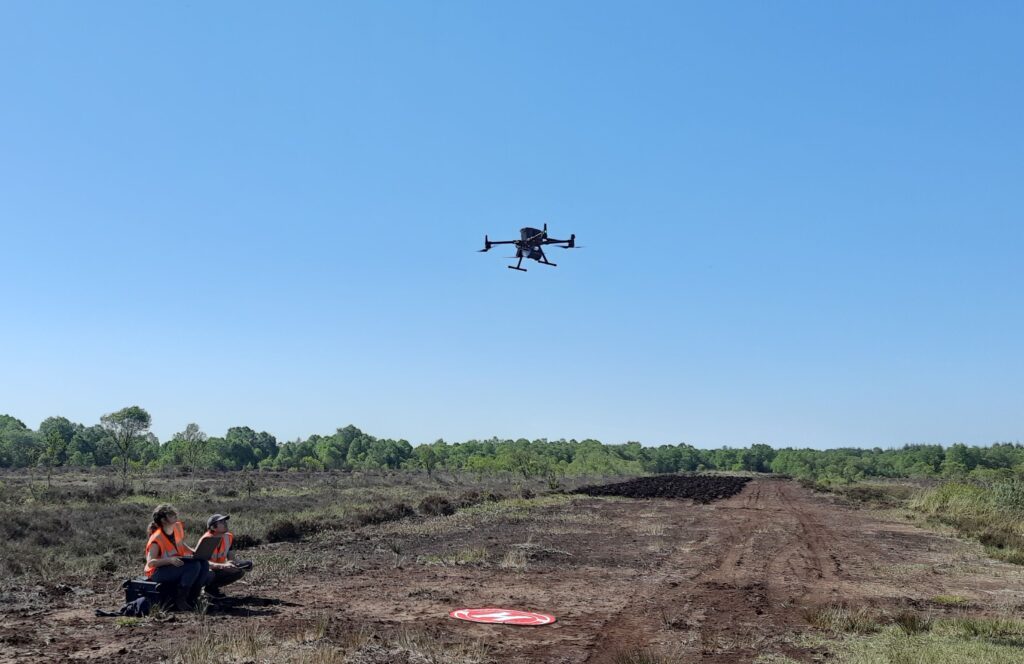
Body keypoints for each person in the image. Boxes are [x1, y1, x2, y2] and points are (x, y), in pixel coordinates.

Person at [144, 504, 209, 611]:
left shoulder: (177, 527)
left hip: (175, 566)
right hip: (157, 573)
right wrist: (169, 560)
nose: (175, 515)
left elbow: (180, 543)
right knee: (193, 566)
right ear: (163, 520)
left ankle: (193, 597)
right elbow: (151, 563)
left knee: (204, 563)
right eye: (171, 514)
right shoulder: (156, 538)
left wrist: (194, 552)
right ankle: (181, 599)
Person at [198, 513, 252, 599]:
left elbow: (232, 559)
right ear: (213, 527)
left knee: (239, 571)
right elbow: (202, 563)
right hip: (205, 570)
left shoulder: (228, 537)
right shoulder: (207, 540)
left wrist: (244, 564)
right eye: (221, 522)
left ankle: (211, 589)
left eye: (225, 521)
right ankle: (197, 592)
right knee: (210, 574)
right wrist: (223, 566)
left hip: (218, 568)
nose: (225, 523)